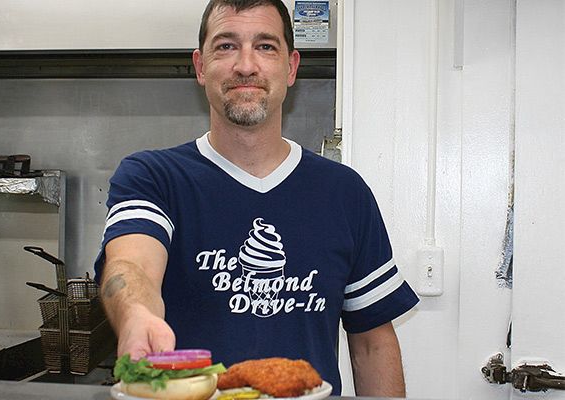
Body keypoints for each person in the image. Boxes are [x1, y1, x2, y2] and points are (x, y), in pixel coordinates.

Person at [94, 0, 419, 396]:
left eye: (265, 46)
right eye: (226, 46)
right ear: (200, 66)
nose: (245, 65)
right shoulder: (153, 177)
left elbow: (372, 343)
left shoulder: (344, 193)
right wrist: (135, 315)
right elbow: (132, 264)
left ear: (292, 67)